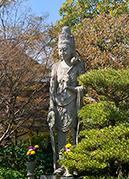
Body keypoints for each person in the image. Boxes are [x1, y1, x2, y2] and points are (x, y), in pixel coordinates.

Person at [48, 26, 85, 177]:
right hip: (58, 105)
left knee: (73, 134)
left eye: (65, 50)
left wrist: (73, 88)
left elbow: (84, 87)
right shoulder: (55, 67)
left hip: (72, 103)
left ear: (72, 49)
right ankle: (61, 166)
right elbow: (52, 89)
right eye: (60, 50)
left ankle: (73, 165)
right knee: (61, 137)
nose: (62, 53)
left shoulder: (78, 66)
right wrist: (51, 108)